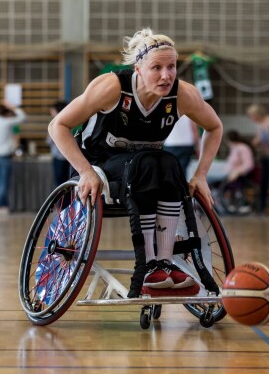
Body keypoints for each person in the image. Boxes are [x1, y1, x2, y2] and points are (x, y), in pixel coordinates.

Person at [48, 29, 223, 298]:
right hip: (98, 166)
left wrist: (200, 174)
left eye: (172, 66)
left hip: (145, 168)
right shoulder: (110, 87)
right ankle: (151, 264)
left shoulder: (183, 95)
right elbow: (57, 125)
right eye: (157, 67)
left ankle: (163, 263)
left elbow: (214, 127)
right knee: (150, 162)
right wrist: (84, 171)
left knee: (168, 163)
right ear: (138, 68)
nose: (166, 75)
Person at [0, 100, 26, 216]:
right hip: (4, 157)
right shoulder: (7, 122)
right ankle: (0, 206)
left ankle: (3, 205)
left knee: (0, 182)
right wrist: (14, 107)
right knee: (3, 183)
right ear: (8, 113)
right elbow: (23, 117)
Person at [47, 101, 71, 187]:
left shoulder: (56, 123)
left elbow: (50, 141)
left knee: (60, 185)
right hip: (71, 158)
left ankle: (63, 201)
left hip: (59, 158)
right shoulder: (72, 121)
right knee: (69, 183)